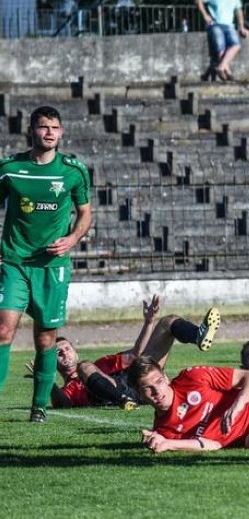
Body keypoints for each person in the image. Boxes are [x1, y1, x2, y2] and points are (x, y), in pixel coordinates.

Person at [0, 106, 92, 423]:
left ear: (61, 132)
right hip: (14, 262)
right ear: (32, 130)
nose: (49, 132)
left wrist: (71, 240)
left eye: (54, 127)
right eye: (43, 126)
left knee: (45, 339)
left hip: (53, 267)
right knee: (2, 330)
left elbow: (85, 214)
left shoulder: (73, 171)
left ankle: (38, 406)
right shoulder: (10, 168)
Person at [41, 295, 220, 410]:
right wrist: (46, 379)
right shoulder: (68, 388)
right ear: (52, 361)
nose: (65, 354)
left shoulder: (101, 363)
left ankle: (198, 335)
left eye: (67, 349)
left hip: (140, 382)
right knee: (85, 367)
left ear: (75, 351)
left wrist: (149, 322)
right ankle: (123, 400)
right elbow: (62, 404)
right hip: (121, 394)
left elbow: (136, 354)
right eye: (59, 353)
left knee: (167, 321)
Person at [195, 0, 249, 81]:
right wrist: (205, 15)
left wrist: (242, 27)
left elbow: (238, 10)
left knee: (236, 45)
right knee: (220, 48)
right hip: (215, 24)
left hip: (229, 25)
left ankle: (221, 67)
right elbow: (198, 0)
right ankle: (228, 72)